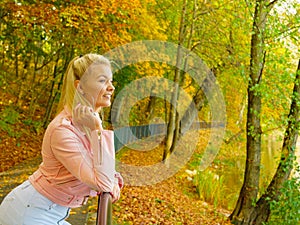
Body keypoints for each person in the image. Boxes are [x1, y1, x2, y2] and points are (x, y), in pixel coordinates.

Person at [0, 53, 123, 225]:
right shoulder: (63, 130)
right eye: (103, 81)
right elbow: (102, 183)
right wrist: (97, 129)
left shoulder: (87, 123)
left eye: (110, 81)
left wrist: (114, 180)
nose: (111, 87)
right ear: (80, 87)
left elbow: (102, 169)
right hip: (27, 213)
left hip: (50, 212)